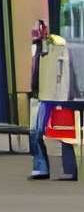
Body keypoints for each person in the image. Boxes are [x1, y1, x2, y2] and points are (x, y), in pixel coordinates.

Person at [28, 20, 78, 182]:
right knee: (36, 132)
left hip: (56, 93)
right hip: (39, 94)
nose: (36, 33)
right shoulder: (35, 47)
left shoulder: (56, 43)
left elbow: (62, 68)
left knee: (63, 131)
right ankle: (40, 167)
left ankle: (69, 169)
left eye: (39, 30)